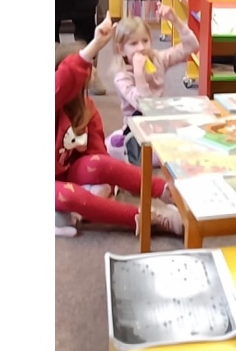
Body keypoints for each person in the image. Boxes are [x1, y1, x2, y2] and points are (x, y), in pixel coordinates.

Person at [55, 14, 183, 235]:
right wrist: (94, 46)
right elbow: (64, 79)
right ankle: (150, 218)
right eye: (87, 67)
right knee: (70, 196)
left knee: (98, 165)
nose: (93, 70)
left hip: (69, 172)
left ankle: (167, 191)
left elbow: (98, 156)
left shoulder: (87, 107)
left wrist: (109, 184)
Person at [111, 5, 200, 166]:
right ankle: (127, 146)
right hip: (138, 125)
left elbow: (192, 46)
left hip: (161, 121)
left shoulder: (158, 58)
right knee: (162, 154)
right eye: (133, 43)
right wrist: (139, 74)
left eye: (145, 41)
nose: (141, 47)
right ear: (121, 50)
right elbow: (145, 106)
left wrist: (175, 20)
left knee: (194, 133)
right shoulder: (122, 77)